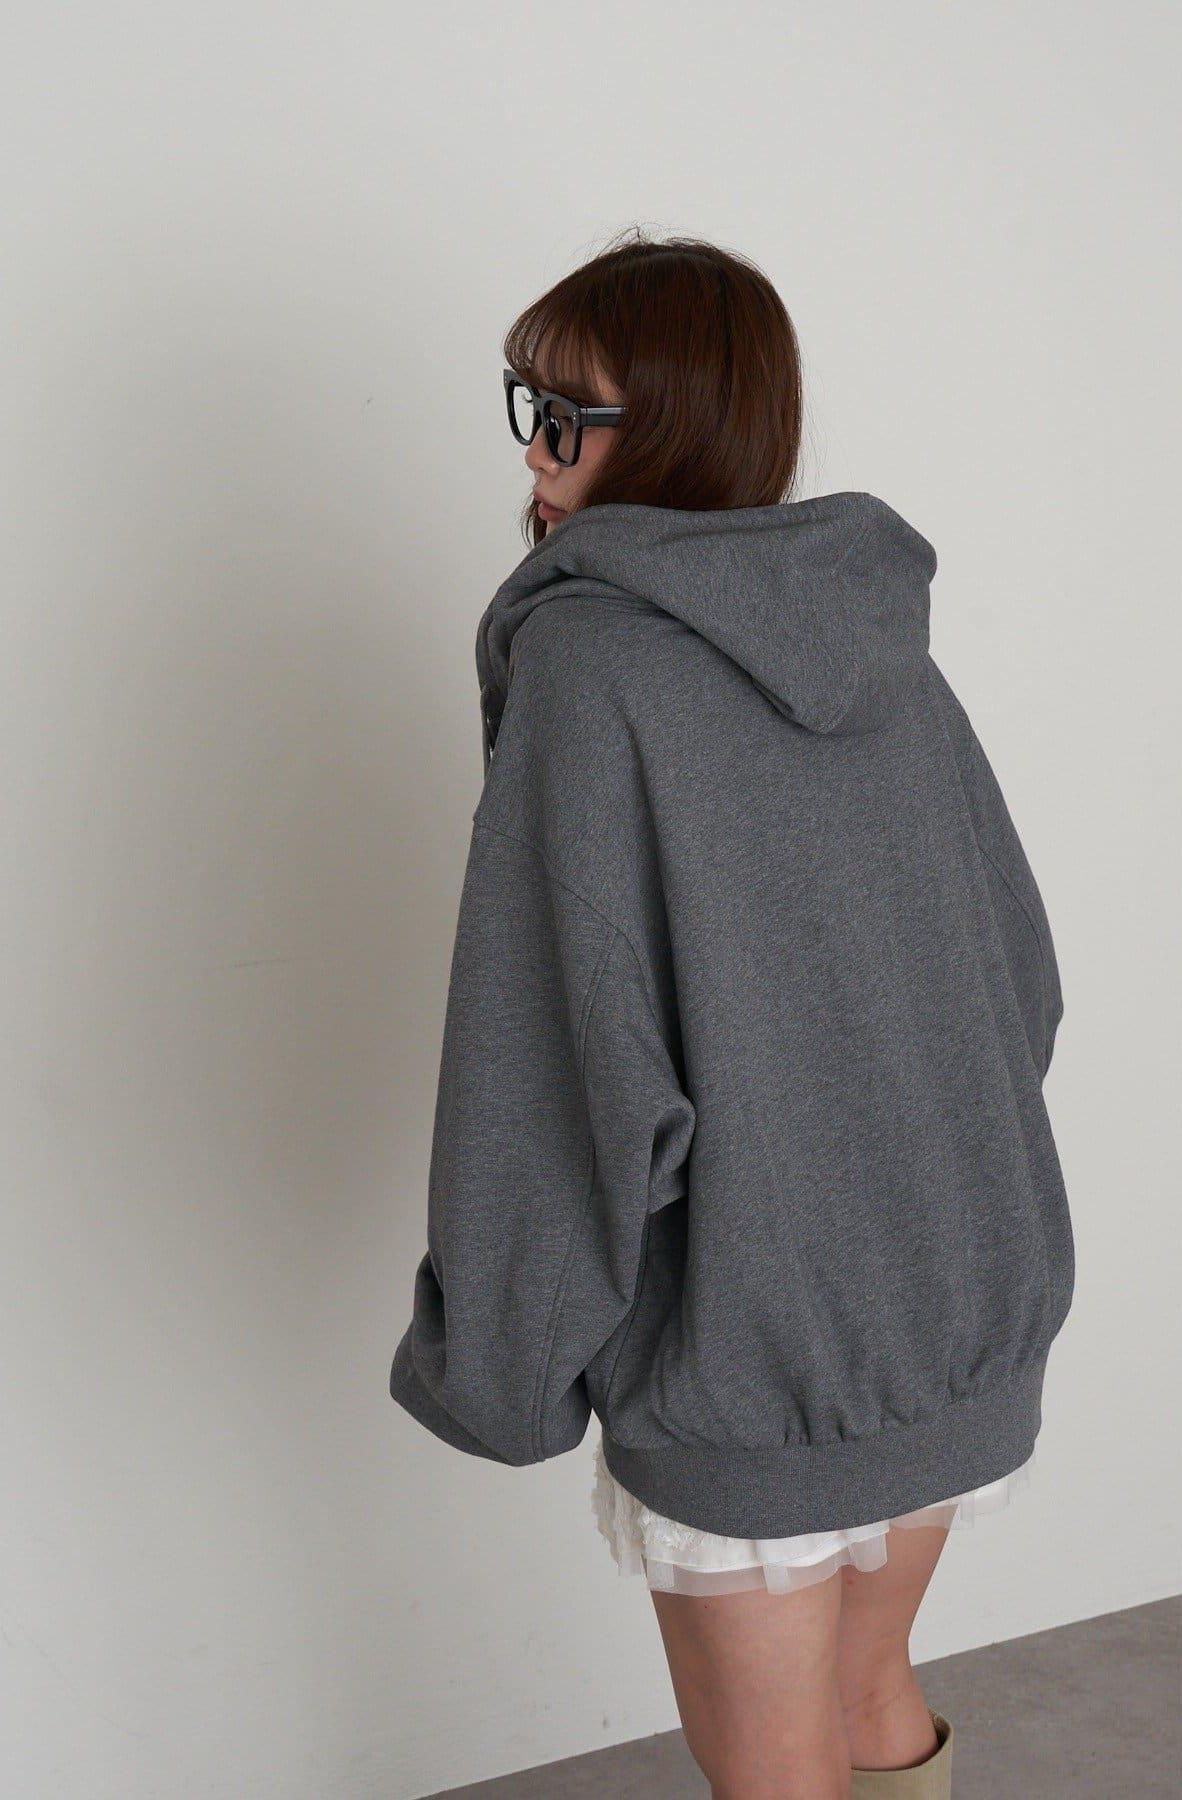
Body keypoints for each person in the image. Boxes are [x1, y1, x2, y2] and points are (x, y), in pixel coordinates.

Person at [390, 229, 1073, 1799]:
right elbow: (1018, 987)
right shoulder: (886, 652)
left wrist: (496, 1362)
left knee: (775, 1773)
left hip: (752, 1345)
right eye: (528, 405)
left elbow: (553, 1073)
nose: (536, 452)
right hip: (956, 1304)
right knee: (873, 1689)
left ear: (683, 427)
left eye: (569, 416)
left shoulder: (591, 669)